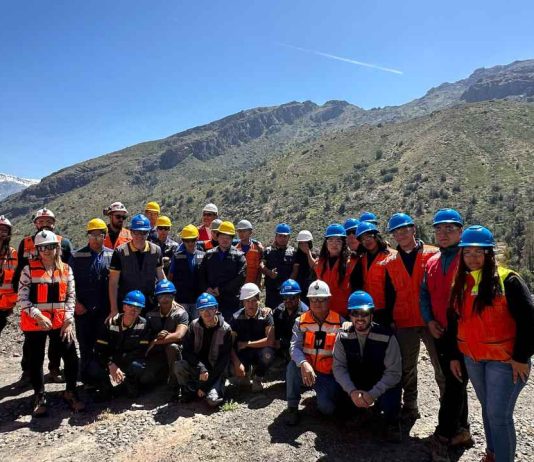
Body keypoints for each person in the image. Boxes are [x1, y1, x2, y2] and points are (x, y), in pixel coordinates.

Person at [447, 225, 534, 462]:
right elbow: (456, 322)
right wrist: (455, 355)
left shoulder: (509, 280)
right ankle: (493, 454)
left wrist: (521, 358)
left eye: (479, 252)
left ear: (489, 253)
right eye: (467, 252)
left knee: (499, 415)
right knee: (487, 409)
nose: (473, 258)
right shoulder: (461, 283)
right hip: (473, 359)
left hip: (505, 361)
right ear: (462, 255)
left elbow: (529, 321)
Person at [419, 208, 472, 461]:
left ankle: (442, 436)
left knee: (454, 384)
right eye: (439, 229)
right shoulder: (432, 261)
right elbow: (424, 295)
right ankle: (462, 430)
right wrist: (428, 321)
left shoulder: (469, 258)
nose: (443, 233)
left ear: (460, 231)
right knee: (456, 383)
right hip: (440, 331)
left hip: (465, 334)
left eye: (450, 228)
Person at [383, 213, 445, 421]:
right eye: (396, 231)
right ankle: (410, 406)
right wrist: (391, 319)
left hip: (432, 321)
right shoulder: (390, 261)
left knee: (441, 367)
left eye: (404, 229)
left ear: (413, 229)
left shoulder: (433, 254)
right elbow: (389, 293)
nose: (400, 234)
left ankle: (449, 410)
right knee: (407, 367)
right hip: (404, 321)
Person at [17, 230, 84, 416]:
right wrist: (37, 315)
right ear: (37, 249)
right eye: (42, 247)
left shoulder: (66, 269)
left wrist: (69, 320)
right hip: (35, 322)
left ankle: (70, 391)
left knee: (71, 356)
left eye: (51, 246)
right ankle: (39, 395)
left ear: (57, 248)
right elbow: (22, 298)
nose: (47, 250)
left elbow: (71, 297)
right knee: (35, 359)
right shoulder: (28, 270)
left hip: (61, 321)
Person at [14, 207, 74, 383]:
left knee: (56, 341)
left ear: (54, 224)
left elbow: (68, 269)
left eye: (49, 221)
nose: (45, 224)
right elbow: (20, 268)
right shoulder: (25, 243)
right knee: (31, 341)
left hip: (56, 296)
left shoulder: (64, 243)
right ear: (35, 224)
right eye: (41, 221)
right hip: (32, 297)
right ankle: (27, 372)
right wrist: (20, 294)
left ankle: (54, 368)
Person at [333, 291, 402, 442]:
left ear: (371, 314)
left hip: (381, 383)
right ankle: (361, 412)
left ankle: (392, 422)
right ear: (349, 315)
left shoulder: (387, 336)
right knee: (336, 401)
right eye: (355, 313)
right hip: (357, 383)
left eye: (364, 313)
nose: (359, 317)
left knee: (391, 398)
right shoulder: (342, 336)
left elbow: (394, 373)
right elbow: (338, 367)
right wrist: (351, 391)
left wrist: (373, 393)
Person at [285, 280, 344, 425]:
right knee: (292, 367)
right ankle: (292, 407)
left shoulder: (340, 322)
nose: (317, 303)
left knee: (327, 410)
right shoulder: (301, 321)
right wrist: (303, 363)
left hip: (328, 375)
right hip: (307, 370)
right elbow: (294, 347)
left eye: (321, 299)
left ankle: (321, 397)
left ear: (328, 300)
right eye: (313, 299)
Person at [69, 218, 113, 385]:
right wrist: (76, 304)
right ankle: (87, 380)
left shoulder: (112, 254)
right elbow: (69, 283)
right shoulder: (77, 255)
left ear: (105, 236)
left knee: (102, 344)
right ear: (88, 236)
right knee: (85, 346)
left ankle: (101, 379)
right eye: (92, 235)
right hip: (83, 310)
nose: (96, 239)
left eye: (100, 235)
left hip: (104, 310)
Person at [90, 290, 150, 400]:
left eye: (138, 307)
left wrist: (122, 364)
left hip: (129, 359)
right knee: (93, 367)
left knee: (138, 366)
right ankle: (106, 388)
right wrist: (110, 363)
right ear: (124, 307)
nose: (133, 309)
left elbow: (141, 350)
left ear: (141, 310)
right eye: (130, 305)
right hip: (112, 359)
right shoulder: (111, 322)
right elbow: (100, 348)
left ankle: (129, 385)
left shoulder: (144, 324)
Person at [174, 293, 233, 406]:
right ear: (198, 311)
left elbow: (223, 361)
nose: (206, 312)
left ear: (216, 309)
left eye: (210, 308)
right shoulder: (193, 325)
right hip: (198, 368)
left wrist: (206, 387)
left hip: (215, 370)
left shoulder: (226, 329)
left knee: (212, 401)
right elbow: (187, 351)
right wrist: (201, 368)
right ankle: (189, 391)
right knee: (179, 365)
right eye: (202, 309)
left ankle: (211, 388)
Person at [108, 213, 165, 318]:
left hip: (150, 304)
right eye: (136, 232)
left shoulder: (156, 250)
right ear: (131, 232)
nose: (139, 236)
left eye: (143, 232)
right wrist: (114, 309)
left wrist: (168, 298)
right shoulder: (120, 252)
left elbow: (161, 276)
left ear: (148, 232)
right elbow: (113, 283)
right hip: (127, 305)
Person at [143, 280, 188, 390]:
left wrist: (156, 341)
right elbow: (145, 336)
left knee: (172, 347)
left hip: (176, 352)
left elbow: (179, 335)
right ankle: (163, 375)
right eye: (161, 296)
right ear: (157, 298)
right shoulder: (150, 314)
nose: (165, 299)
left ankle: (175, 384)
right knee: (145, 379)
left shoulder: (181, 313)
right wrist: (155, 337)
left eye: (168, 295)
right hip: (157, 353)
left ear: (173, 296)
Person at [230, 283, 275, 391]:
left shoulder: (266, 316)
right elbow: (229, 344)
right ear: (243, 302)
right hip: (243, 352)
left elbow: (270, 341)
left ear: (259, 300)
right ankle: (244, 374)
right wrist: (237, 363)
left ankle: (257, 378)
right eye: (247, 301)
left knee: (268, 353)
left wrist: (247, 344)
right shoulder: (236, 318)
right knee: (240, 381)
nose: (251, 304)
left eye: (254, 300)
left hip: (260, 350)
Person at [198, 221, 246, 321]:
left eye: (228, 238)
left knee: (230, 330)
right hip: (210, 301)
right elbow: (201, 275)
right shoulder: (209, 255)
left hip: (231, 301)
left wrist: (221, 289)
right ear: (217, 237)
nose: (224, 240)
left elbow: (240, 278)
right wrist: (206, 288)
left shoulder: (239, 256)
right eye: (222, 237)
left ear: (232, 239)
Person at [352, 221, 396, 325]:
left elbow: (393, 289)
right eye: (362, 239)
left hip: (387, 311)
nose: (367, 241)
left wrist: (391, 315)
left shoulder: (391, 256)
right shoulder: (362, 260)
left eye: (369, 236)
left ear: (376, 236)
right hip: (368, 310)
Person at [315, 223, 357, 317]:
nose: (334, 244)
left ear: (343, 243)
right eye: (331, 240)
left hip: (344, 314)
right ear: (326, 243)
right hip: (324, 313)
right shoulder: (320, 264)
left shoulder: (352, 263)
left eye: (338, 241)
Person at [168, 224, 205, 321]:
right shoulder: (176, 256)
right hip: (181, 299)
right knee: (181, 324)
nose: (190, 243)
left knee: (197, 326)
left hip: (198, 299)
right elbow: (170, 277)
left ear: (197, 238)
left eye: (192, 240)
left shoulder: (204, 256)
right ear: (182, 240)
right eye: (186, 240)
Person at [273, 279, 308, 362]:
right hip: (282, 346)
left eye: (292, 297)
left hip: (298, 348)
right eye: (285, 297)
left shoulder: (305, 314)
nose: (288, 300)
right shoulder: (279, 310)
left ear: (299, 296)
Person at [262, 223, 296, 309]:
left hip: (287, 291)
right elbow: (261, 264)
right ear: (276, 236)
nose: (282, 238)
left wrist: (288, 283)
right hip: (271, 290)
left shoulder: (293, 252)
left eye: (285, 236)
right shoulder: (268, 251)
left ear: (289, 237)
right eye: (280, 236)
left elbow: (295, 270)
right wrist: (269, 272)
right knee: (271, 312)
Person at [0, 216, 18, 337]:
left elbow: (17, 280)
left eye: (4, 230)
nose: (1, 233)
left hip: (4, 307)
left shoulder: (13, 254)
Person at [290, 230, 317, 303]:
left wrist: (308, 253)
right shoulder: (297, 255)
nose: (303, 245)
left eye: (305, 243)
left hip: (313, 286)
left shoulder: (315, 254)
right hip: (300, 286)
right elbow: (295, 271)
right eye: (301, 243)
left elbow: (314, 266)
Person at [235, 220, 263, 285]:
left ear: (250, 232)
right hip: (239, 287)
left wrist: (258, 285)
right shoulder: (235, 249)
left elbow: (259, 269)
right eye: (239, 231)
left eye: (244, 231)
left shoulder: (258, 248)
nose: (241, 234)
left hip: (253, 286)